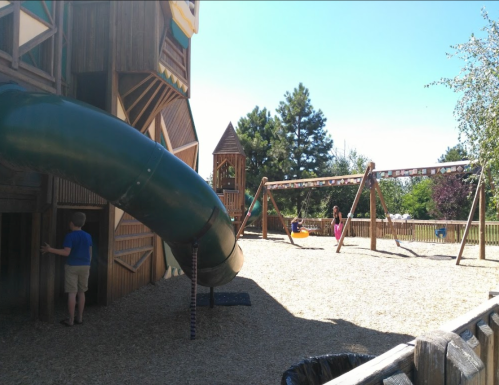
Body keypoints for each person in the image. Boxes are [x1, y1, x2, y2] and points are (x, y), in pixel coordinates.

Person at [41, 212, 92, 326]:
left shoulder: (70, 236)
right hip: (85, 266)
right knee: (82, 292)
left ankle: (70, 320)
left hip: (72, 266)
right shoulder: (88, 236)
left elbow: (66, 252)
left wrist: (50, 250)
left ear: (71, 223)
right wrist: (88, 263)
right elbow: (90, 252)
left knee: (72, 293)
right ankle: (79, 318)